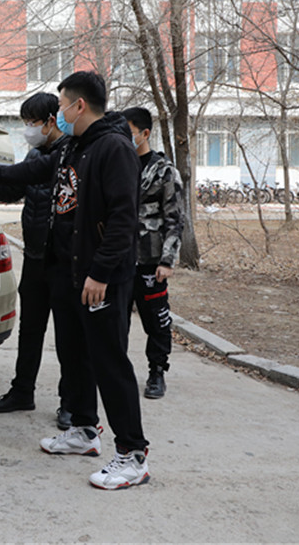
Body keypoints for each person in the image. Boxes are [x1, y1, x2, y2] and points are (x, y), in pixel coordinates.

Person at [0, 71, 150, 490]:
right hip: (69, 273)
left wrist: (100, 272)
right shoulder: (73, 147)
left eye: (62, 104)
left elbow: (124, 218)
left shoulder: (114, 148)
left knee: (109, 362)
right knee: (74, 353)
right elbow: (34, 171)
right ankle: (84, 430)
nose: (58, 112)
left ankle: (132, 454)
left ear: (79, 105)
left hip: (101, 278)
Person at [0, 92, 73, 430]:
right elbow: (14, 190)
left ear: (51, 121)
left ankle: (70, 402)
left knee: (68, 337)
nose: (28, 129)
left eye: (31, 122)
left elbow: (23, 176)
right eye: (25, 122)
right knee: (30, 330)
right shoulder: (35, 154)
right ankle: (22, 391)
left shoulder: (70, 154)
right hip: (35, 257)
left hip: (63, 261)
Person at [122, 107, 184, 399]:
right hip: (119, 259)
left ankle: (157, 372)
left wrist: (167, 260)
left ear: (144, 133)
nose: (123, 138)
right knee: (115, 322)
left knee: (156, 321)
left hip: (150, 260)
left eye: (129, 132)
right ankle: (116, 373)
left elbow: (175, 219)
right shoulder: (118, 165)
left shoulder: (164, 171)